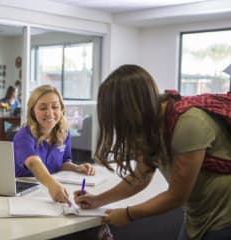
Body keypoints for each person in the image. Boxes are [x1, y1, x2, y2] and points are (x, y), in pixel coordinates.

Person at [74, 64, 231, 240]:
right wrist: (98, 200)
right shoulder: (150, 124)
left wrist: (128, 214)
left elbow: (176, 196)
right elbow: (141, 176)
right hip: (198, 218)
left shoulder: (189, 124)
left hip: (224, 220)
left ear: (130, 109)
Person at [13, 84, 95, 205]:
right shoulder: (23, 135)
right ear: (32, 111)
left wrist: (77, 167)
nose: (50, 113)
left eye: (55, 107)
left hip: (48, 191)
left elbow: (62, 163)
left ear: (61, 109)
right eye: (42, 108)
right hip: (24, 195)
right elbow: (33, 163)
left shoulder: (64, 133)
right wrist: (52, 185)